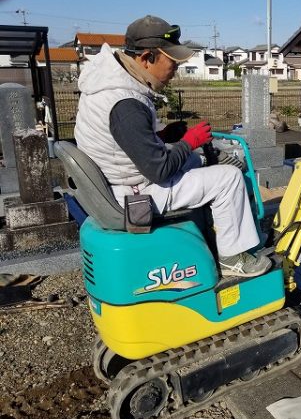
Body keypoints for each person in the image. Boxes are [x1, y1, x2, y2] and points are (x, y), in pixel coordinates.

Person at [74, 15, 270, 277]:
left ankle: (228, 230)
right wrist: (189, 142)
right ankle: (232, 258)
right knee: (229, 178)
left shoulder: (109, 86)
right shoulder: (125, 104)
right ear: (146, 58)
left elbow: (120, 144)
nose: (176, 69)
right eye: (172, 61)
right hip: (135, 194)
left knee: (199, 161)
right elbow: (159, 171)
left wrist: (164, 137)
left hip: (123, 180)